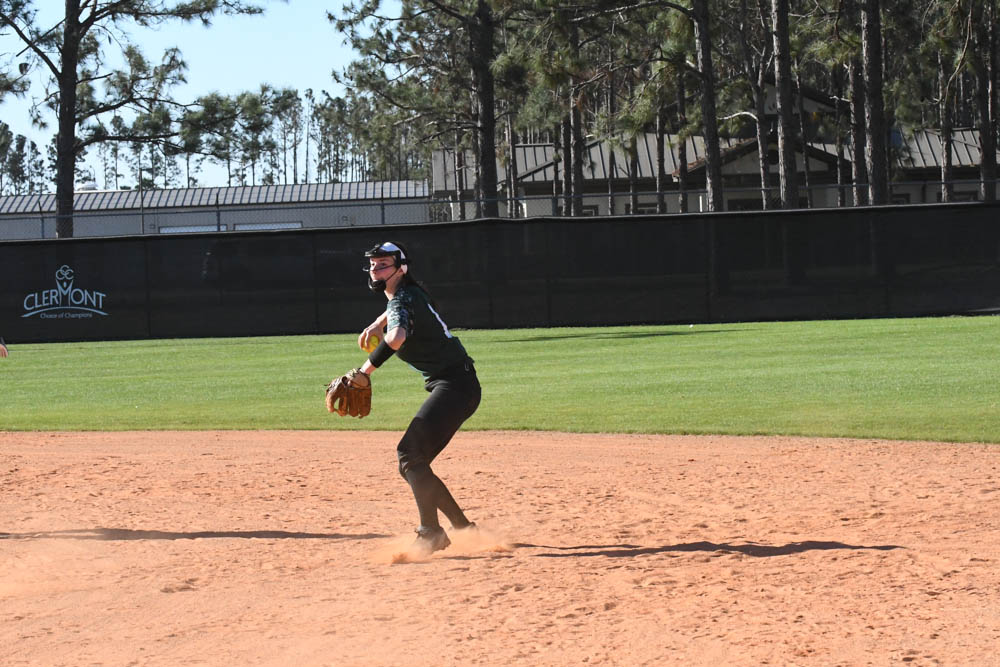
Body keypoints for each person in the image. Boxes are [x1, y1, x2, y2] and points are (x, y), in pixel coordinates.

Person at [355, 241, 481, 554]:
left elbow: (397, 337)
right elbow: (401, 307)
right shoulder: (411, 293)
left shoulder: (401, 302)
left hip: (454, 386)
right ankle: (463, 528)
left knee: (409, 455)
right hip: (460, 384)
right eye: (373, 264)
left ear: (401, 268)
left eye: (383, 264)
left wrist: (364, 371)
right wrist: (377, 321)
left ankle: (431, 533)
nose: (376, 269)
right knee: (414, 463)